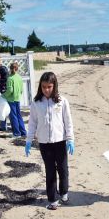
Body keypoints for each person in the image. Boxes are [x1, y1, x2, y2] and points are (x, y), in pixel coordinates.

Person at [25, 72, 75, 210]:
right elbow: (32, 123)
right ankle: (53, 199)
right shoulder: (36, 103)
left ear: (55, 86)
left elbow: (68, 122)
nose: (46, 90)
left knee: (63, 169)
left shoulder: (62, 101)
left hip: (60, 141)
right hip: (44, 143)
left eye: (49, 87)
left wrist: (70, 139)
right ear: (40, 86)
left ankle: (64, 192)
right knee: (50, 171)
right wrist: (29, 140)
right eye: (44, 87)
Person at [3, 62, 27, 137]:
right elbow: (21, 89)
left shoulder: (10, 78)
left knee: (13, 116)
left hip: (11, 100)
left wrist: (3, 95)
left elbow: (10, 90)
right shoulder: (19, 77)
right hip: (17, 99)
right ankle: (23, 132)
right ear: (17, 68)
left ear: (10, 69)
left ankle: (16, 133)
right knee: (19, 115)